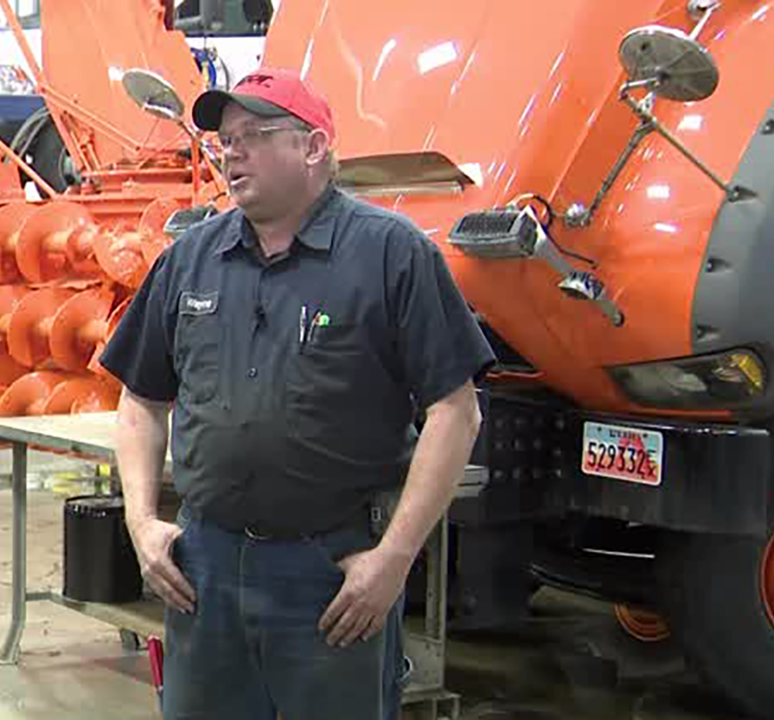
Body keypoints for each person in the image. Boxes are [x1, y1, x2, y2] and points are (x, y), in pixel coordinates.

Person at [97, 66, 495, 720]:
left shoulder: (391, 255)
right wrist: (141, 525)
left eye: (254, 134)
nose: (232, 152)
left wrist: (393, 561)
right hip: (206, 571)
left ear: (313, 147)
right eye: (226, 139)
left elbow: (456, 414)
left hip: (333, 573)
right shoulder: (189, 260)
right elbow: (141, 403)